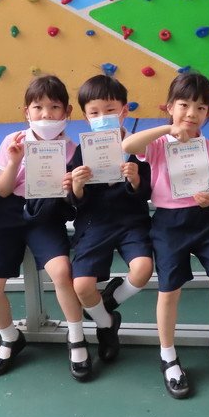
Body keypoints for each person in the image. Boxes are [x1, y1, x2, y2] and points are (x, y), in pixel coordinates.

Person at [122, 72, 209, 399]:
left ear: (208, 113)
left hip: (205, 221)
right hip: (168, 225)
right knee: (169, 291)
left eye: (200, 108)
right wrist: (167, 129)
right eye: (184, 105)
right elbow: (128, 145)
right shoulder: (158, 145)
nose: (191, 113)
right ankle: (168, 356)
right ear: (170, 107)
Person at [0, 75, 82, 377]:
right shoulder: (13, 141)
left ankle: (76, 337)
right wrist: (14, 162)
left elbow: (75, 198)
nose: (46, 114)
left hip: (46, 212)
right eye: (38, 107)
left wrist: (70, 186)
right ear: (26, 111)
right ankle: (10, 337)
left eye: (54, 107)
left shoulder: (72, 149)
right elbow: (3, 189)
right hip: (7, 212)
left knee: (61, 272)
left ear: (67, 112)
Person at [68, 75, 153, 380]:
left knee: (143, 269)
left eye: (110, 110)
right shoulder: (81, 151)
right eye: (94, 112)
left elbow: (148, 192)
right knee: (81, 286)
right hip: (95, 223)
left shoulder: (138, 148)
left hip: (131, 222)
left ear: (124, 111)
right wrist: (77, 186)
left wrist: (136, 180)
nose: (102, 117)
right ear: (85, 116)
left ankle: (109, 301)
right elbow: (74, 202)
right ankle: (106, 324)